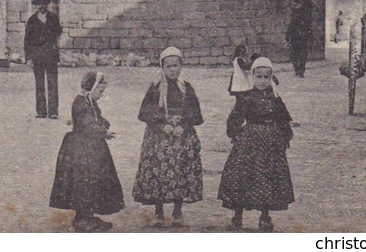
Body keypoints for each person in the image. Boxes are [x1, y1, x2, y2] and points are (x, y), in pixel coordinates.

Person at [218, 56, 294, 232]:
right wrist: (236, 135)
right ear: (252, 76)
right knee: (243, 177)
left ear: (271, 78)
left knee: (267, 179)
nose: (262, 81)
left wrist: (284, 137)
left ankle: (265, 216)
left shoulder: (275, 100)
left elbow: (283, 120)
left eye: (266, 77)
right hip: (249, 143)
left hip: (270, 144)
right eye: (258, 77)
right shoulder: (246, 98)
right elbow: (235, 118)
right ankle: (238, 215)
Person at [132, 46, 204, 228]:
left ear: (181, 66)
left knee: (180, 172)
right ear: (162, 67)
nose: (173, 69)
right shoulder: (156, 88)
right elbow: (144, 112)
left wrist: (183, 125)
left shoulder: (186, 88)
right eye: (169, 66)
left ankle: (177, 210)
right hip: (159, 137)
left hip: (182, 137)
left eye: (176, 65)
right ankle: (158, 211)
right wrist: (161, 124)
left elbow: (195, 112)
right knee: (159, 174)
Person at [49, 70, 124, 232]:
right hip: (82, 149)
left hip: (92, 148)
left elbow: (96, 119)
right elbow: (87, 125)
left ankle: (88, 215)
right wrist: (104, 132)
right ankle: (82, 218)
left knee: (93, 182)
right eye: (101, 91)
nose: (102, 95)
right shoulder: (81, 103)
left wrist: (104, 124)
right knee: (83, 182)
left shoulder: (89, 101)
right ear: (92, 87)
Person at [24, 0, 62, 118]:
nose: (43, 7)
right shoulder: (32, 20)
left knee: (52, 84)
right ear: (37, 6)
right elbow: (27, 40)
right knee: (39, 84)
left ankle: (53, 111)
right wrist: (28, 58)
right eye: (40, 4)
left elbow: (57, 34)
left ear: (48, 5)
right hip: (37, 56)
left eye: (45, 4)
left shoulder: (53, 18)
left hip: (51, 55)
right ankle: (41, 111)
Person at [286, 0, 312, 77]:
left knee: (297, 55)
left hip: (297, 38)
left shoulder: (297, 15)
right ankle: (300, 71)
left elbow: (291, 27)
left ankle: (299, 70)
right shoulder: (304, 15)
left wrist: (287, 37)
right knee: (300, 55)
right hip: (300, 38)